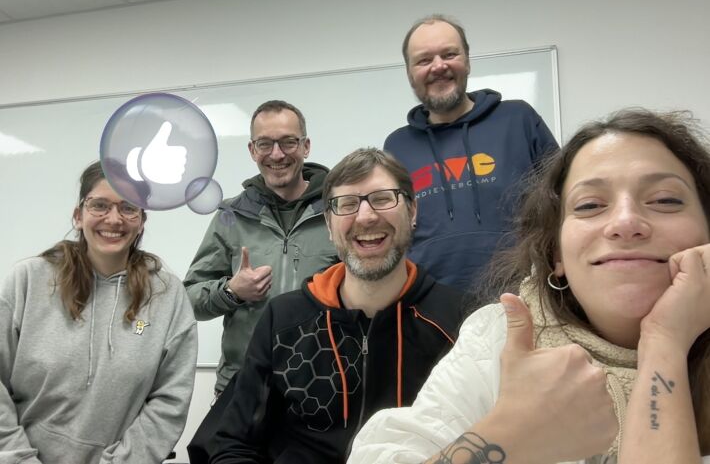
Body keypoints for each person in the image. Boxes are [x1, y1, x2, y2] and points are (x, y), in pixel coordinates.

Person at [349, 109, 710, 464]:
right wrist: (508, 438)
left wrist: (664, 344)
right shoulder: (498, 339)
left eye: (665, 200)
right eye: (590, 205)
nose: (626, 222)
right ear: (557, 255)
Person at [209, 148, 464, 464]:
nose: (366, 216)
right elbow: (234, 446)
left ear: (412, 212)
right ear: (329, 226)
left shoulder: (460, 321)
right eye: (347, 204)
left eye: (383, 199)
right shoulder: (283, 320)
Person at [0, 161, 197, 464]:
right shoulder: (27, 281)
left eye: (128, 207)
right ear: (78, 215)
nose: (114, 219)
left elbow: (169, 401)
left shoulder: (167, 294)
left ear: (142, 219)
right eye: (100, 205)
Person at [184, 100, 338, 461]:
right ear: (252, 150)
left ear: (306, 146)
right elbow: (188, 298)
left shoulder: (339, 210)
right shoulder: (230, 216)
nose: (277, 154)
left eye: (288, 142)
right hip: (241, 390)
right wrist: (230, 292)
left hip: (321, 389)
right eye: (265, 144)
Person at [384, 14, 558, 291]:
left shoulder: (518, 119)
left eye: (449, 54)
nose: (438, 66)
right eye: (424, 60)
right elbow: (393, 229)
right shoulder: (396, 146)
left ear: (467, 60)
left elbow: (560, 201)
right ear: (409, 73)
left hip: (522, 292)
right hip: (428, 303)